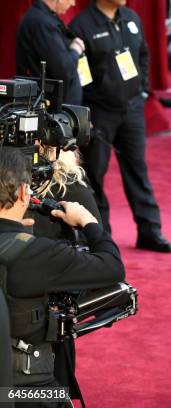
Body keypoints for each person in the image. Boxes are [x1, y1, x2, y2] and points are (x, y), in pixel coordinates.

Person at [0, 146, 125, 406]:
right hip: (29, 386)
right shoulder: (39, 254)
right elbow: (112, 267)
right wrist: (90, 223)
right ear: (25, 193)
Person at [69, 0, 171, 252]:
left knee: (138, 169)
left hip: (132, 110)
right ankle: (100, 237)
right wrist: (87, 113)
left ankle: (150, 231)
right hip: (99, 113)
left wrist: (143, 91)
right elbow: (79, 74)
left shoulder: (131, 17)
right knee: (94, 175)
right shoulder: (81, 25)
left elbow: (143, 55)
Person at [24, 148, 102, 405]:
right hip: (40, 318)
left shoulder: (67, 183)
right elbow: (110, 268)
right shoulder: (68, 185)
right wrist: (90, 227)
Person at [16, 0, 85, 105]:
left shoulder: (44, 17)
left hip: (59, 107)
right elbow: (62, 69)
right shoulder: (41, 22)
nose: (73, 4)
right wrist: (75, 50)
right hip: (53, 110)